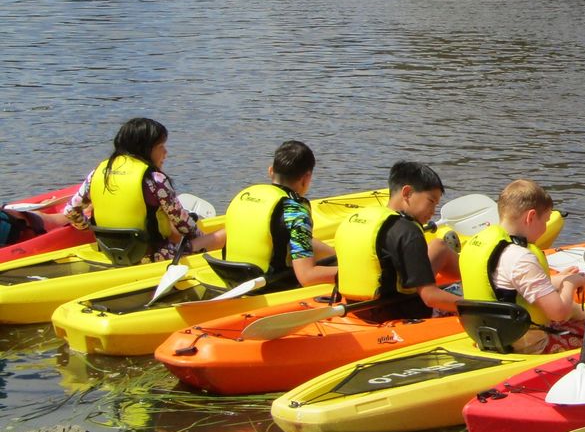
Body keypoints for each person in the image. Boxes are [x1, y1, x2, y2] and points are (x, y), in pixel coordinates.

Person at [460, 179, 585, 353]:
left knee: (575, 311)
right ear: (530, 217)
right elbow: (558, 312)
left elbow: (511, 287)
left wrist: (566, 279)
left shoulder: (478, 245)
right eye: (545, 221)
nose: (545, 228)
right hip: (530, 346)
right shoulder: (520, 257)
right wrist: (571, 283)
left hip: (490, 337)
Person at [61, 117, 224, 263]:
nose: (165, 153)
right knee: (226, 234)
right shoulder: (155, 179)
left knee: (167, 224)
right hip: (153, 256)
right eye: (161, 146)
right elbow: (185, 226)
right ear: (145, 149)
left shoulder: (97, 173)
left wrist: (88, 227)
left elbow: (70, 211)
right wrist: (207, 240)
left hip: (108, 251)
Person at [333, 161, 462, 316]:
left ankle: (473, 276)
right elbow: (430, 297)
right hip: (399, 313)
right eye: (431, 201)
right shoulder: (408, 232)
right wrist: (474, 306)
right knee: (461, 294)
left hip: (359, 310)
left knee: (439, 246)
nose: (433, 211)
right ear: (407, 193)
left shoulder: (357, 220)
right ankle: (485, 278)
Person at [215, 140, 334, 288]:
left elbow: (280, 236)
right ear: (306, 178)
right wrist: (352, 272)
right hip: (269, 289)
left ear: (271, 171)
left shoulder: (247, 197)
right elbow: (306, 276)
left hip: (232, 281)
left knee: (331, 259)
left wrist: (334, 254)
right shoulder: (294, 210)